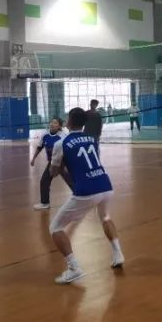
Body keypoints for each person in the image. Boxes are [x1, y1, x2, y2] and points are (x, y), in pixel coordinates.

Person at [48, 107, 125, 284]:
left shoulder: (61, 143)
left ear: (68, 121)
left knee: (56, 228)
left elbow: (53, 172)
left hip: (87, 190)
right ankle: (118, 254)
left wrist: (57, 164)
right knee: (105, 217)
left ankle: (74, 268)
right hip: (105, 184)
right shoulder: (92, 139)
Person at [31, 117, 69, 209]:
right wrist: (33, 158)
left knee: (71, 181)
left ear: (59, 126)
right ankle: (45, 203)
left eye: (55, 123)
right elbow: (40, 147)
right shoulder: (45, 135)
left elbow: (68, 149)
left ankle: (83, 196)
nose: (52, 124)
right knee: (44, 181)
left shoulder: (63, 136)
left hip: (63, 162)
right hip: (52, 162)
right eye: (52, 122)